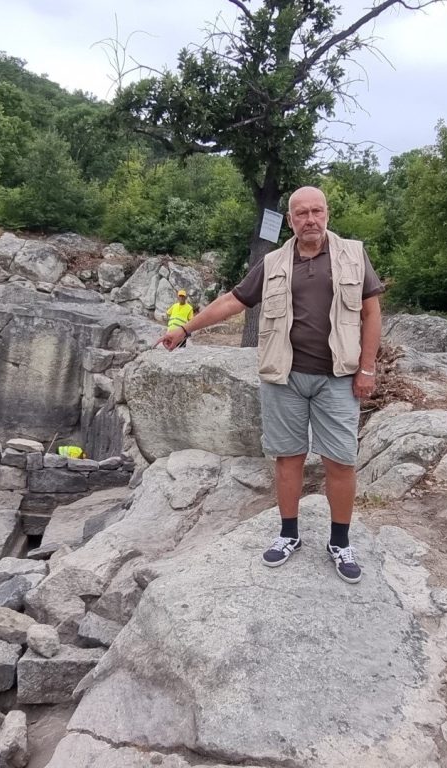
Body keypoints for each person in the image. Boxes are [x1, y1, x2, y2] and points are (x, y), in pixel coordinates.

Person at [155, 186, 384, 584]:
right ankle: (288, 534)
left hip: (339, 378)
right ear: (291, 220)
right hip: (284, 378)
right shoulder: (274, 262)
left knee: (341, 461)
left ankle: (340, 542)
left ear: (327, 213)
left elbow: (371, 312)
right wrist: (186, 328)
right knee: (287, 457)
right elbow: (233, 300)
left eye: (316, 211)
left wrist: (367, 368)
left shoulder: (353, 254)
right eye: (301, 214)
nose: (310, 219)